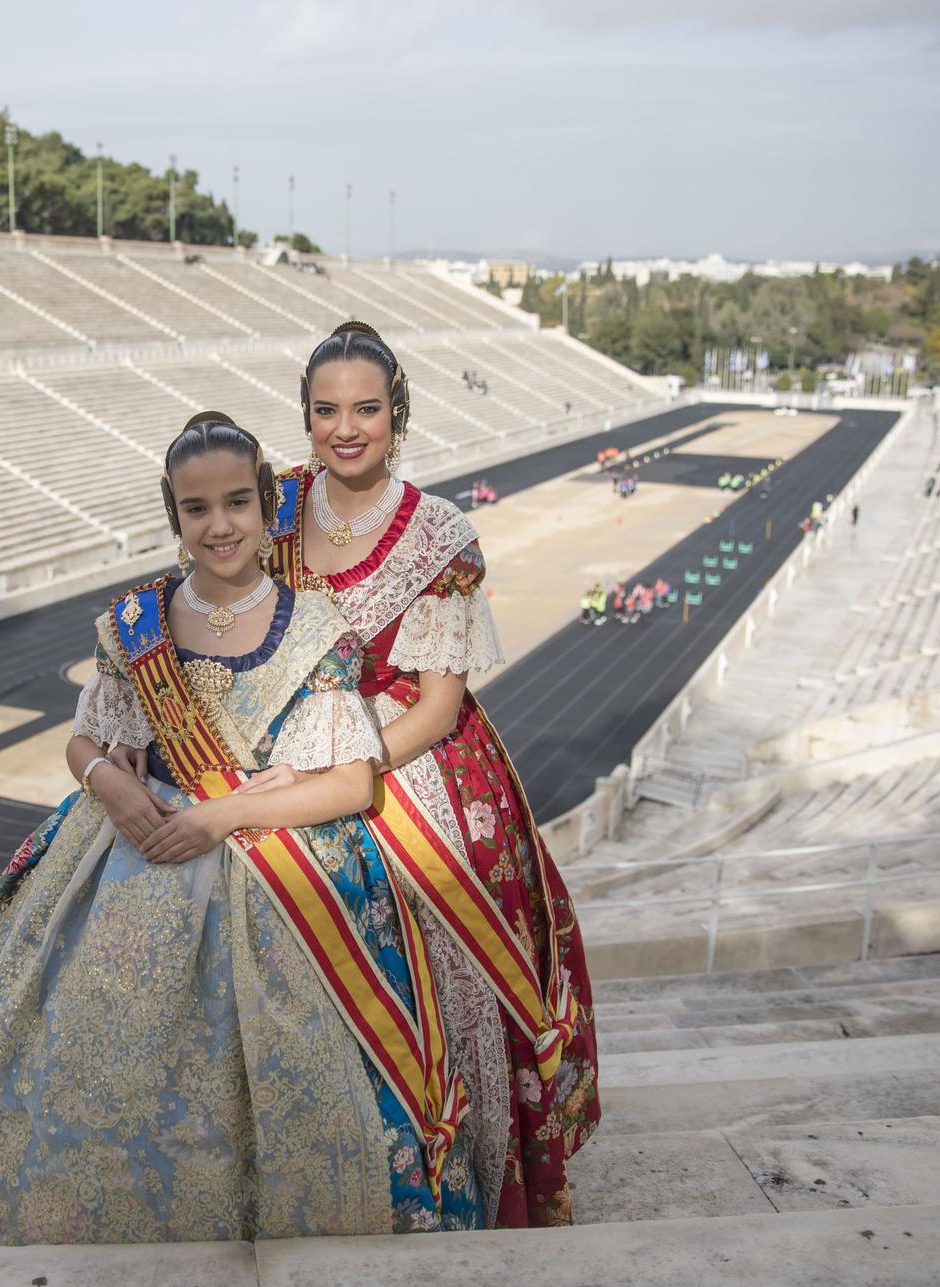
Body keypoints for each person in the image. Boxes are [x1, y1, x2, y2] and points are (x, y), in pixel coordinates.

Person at [0, 413, 480, 1246]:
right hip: (130, 851)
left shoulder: (316, 628)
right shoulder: (137, 621)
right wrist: (104, 780)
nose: (220, 525)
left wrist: (221, 813)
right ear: (175, 517)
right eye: (197, 509)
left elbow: (350, 782)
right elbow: (85, 735)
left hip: (269, 867)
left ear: (270, 504)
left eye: (239, 501)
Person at [266, 323, 599, 1227]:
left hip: (412, 763)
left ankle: (460, 1176)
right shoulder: (276, 506)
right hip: (297, 752)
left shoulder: (438, 533)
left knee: (440, 966)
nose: (346, 428)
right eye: (327, 409)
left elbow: (438, 709)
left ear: (397, 414)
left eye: (366, 408)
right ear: (305, 415)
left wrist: (333, 772)